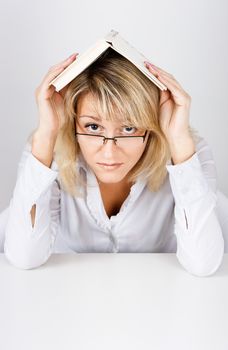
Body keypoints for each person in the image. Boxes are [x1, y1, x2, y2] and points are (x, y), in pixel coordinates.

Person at [0, 49, 226, 276]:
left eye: (128, 129)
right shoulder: (47, 150)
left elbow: (203, 264)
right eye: (93, 127)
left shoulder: (186, 150)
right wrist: (47, 134)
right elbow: (24, 257)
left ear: (149, 127)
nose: (109, 152)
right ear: (74, 123)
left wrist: (179, 142)